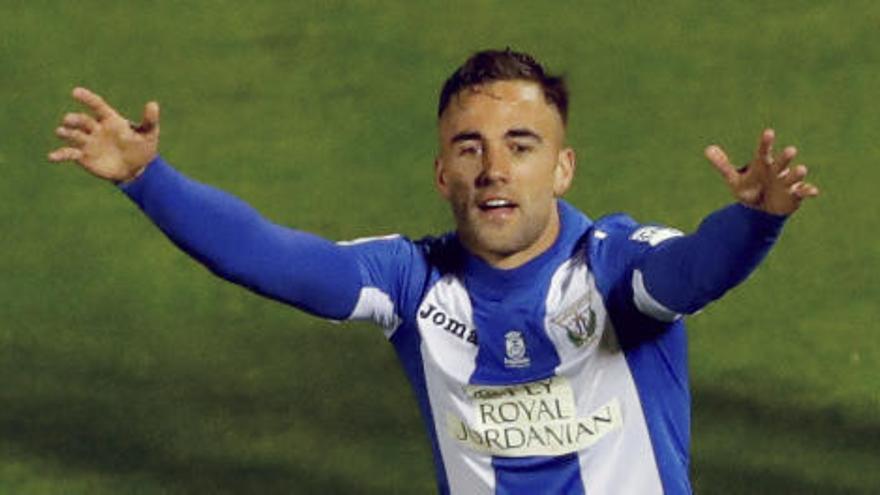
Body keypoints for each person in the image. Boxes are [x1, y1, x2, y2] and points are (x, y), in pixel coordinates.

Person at [48, 49, 819, 495]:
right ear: (441, 172)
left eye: (521, 145)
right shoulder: (415, 285)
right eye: (469, 147)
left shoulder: (610, 269)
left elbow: (690, 273)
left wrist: (755, 221)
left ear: (562, 169)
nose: (494, 170)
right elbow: (274, 258)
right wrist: (149, 178)